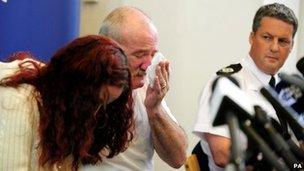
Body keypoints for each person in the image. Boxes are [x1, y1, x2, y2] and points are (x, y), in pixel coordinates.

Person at [0, 35, 135, 170]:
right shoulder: (17, 100)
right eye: (95, 102)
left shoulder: (63, 111)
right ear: (74, 86)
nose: (96, 112)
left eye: (105, 105)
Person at [193, 3, 298, 171]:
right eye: (267, 37)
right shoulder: (226, 83)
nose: (274, 47)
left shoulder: (291, 89)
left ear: (291, 46)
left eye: (283, 41)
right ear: (251, 37)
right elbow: (221, 155)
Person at [98, 6, 187, 170]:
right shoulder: (81, 86)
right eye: (139, 55)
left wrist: (155, 109)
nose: (148, 65)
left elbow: (178, 159)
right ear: (108, 50)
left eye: (152, 54)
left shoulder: (147, 87)